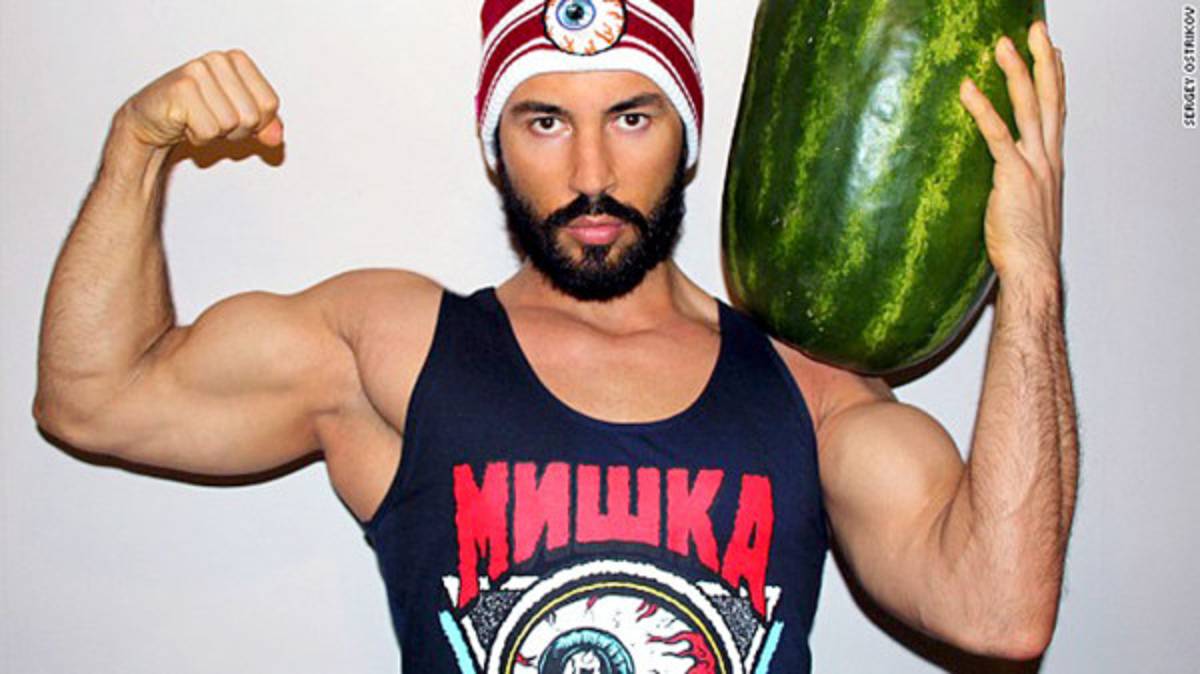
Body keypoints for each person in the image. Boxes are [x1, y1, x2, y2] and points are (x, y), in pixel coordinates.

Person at [33, 1, 1077, 671]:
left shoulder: (808, 390)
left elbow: (1000, 611)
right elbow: (92, 398)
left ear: (688, 137)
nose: (590, 175)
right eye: (544, 121)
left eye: (632, 117)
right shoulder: (396, 348)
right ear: (494, 142)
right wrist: (136, 146)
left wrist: (1028, 277)